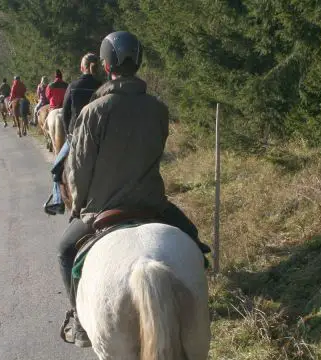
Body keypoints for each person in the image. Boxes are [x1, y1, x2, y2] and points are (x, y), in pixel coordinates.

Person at [57, 30, 211, 348]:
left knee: (63, 252)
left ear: (106, 64)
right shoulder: (159, 110)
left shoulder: (92, 112)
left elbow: (79, 172)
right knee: (195, 244)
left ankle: (79, 322)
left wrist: (78, 208)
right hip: (152, 204)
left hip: (103, 207)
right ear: (138, 62)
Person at [44, 52, 103, 215]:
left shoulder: (74, 86)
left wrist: (69, 133)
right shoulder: (102, 85)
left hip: (76, 138)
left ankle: (57, 201)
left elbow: (65, 114)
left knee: (56, 169)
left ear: (82, 67)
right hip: (100, 140)